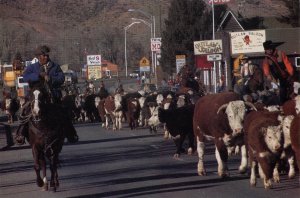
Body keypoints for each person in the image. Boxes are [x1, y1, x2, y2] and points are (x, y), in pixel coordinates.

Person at [15, 45, 77, 145]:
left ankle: (71, 133)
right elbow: (25, 77)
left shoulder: (55, 66)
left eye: (47, 55)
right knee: (25, 111)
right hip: (35, 95)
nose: (46, 57)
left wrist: (51, 79)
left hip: (52, 95)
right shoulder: (32, 67)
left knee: (63, 112)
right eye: (43, 56)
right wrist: (38, 75)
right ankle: (20, 133)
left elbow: (61, 78)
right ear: (39, 56)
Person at [262, 40, 294, 104]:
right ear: (265, 50)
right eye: (267, 49)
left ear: (273, 48)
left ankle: (284, 102)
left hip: (285, 75)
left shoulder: (281, 53)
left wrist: (291, 73)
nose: (269, 51)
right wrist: (268, 74)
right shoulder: (266, 58)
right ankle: (279, 102)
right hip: (275, 77)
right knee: (276, 89)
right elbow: (265, 67)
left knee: (286, 88)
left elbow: (288, 64)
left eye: (270, 49)